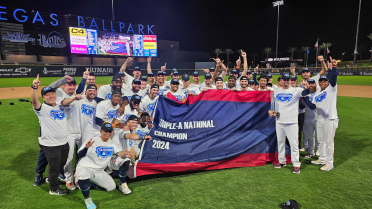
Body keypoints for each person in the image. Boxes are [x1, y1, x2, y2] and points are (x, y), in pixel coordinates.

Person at [75, 123, 133, 209]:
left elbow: (119, 153)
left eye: (109, 131)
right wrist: (86, 148)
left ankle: (86, 182)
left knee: (111, 187)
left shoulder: (112, 143)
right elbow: (80, 155)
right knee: (83, 173)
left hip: (99, 170)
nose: (107, 133)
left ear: (112, 132)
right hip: (86, 167)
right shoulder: (92, 141)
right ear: (101, 131)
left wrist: (125, 155)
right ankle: (87, 199)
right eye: (105, 131)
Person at [31, 74, 70, 195]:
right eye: (47, 95)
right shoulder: (42, 109)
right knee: (54, 168)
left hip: (64, 142)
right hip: (51, 144)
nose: (51, 96)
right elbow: (34, 101)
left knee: (61, 165)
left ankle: (50, 179)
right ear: (43, 97)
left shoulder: (59, 106)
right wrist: (34, 87)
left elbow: (67, 100)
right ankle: (54, 189)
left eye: (52, 93)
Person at [268, 73, 311, 174]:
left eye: (288, 79)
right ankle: (282, 161)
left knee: (294, 144)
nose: (286, 81)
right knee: (281, 143)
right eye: (284, 79)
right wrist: (271, 111)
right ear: (281, 81)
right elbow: (274, 104)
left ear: (290, 81)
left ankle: (296, 164)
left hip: (292, 122)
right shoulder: (276, 91)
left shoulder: (296, 90)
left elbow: (305, 92)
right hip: (279, 121)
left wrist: (307, 89)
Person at [60, 84, 98, 190]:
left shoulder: (95, 104)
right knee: (69, 157)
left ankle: (78, 178)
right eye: (89, 90)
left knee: (84, 157)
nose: (92, 92)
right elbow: (62, 103)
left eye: (94, 91)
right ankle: (68, 180)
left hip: (85, 134)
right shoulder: (78, 98)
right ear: (85, 92)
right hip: (70, 132)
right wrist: (73, 98)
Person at [309, 57, 339, 171]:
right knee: (320, 141)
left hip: (330, 119)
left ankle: (329, 163)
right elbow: (312, 106)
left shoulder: (331, 89)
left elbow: (333, 78)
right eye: (320, 81)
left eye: (324, 81)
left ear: (327, 82)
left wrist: (333, 68)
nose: (322, 83)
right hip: (320, 119)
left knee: (329, 142)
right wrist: (305, 96)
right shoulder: (316, 94)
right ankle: (322, 158)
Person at [302, 79, 318, 158]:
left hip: (318, 119)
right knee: (310, 137)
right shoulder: (306, 95)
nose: (310, 85)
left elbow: (312, 106)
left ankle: (319, 152)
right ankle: (310, 152)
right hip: (308, 119)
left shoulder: (318, 94)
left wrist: (304, 97)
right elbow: (302, 106)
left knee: (319, 137)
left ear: (315, 85)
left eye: (312, 83)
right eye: (309, 84)